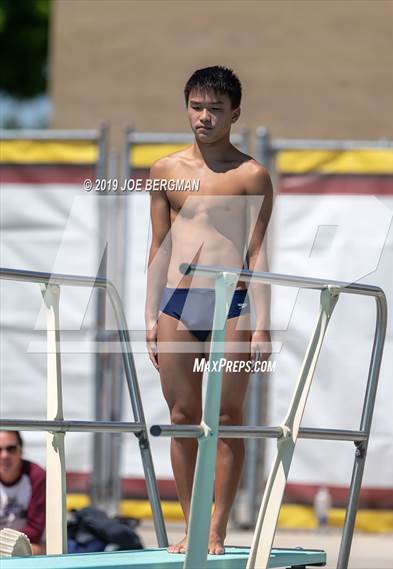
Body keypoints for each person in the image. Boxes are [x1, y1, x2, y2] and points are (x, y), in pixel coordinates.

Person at [145, 65, 273, 555]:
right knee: (182, 416)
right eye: (196, 106)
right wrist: (149, 316)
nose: (204, 117)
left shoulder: (251, 175)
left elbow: (259, 253)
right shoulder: (164, 171)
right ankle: (192, 523)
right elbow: (157, 246)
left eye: (215, 109)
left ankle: (217, 527)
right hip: (179, 302)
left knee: (226, 415)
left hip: (232, 305)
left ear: (234, 113)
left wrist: (261, 327)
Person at [0, 430, 46, 555]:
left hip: (29, 544)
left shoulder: (37, 476)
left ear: (20, 451)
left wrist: (6, 544)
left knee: (35, 549)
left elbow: (36, 530)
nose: (4, 455)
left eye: (11, 449)